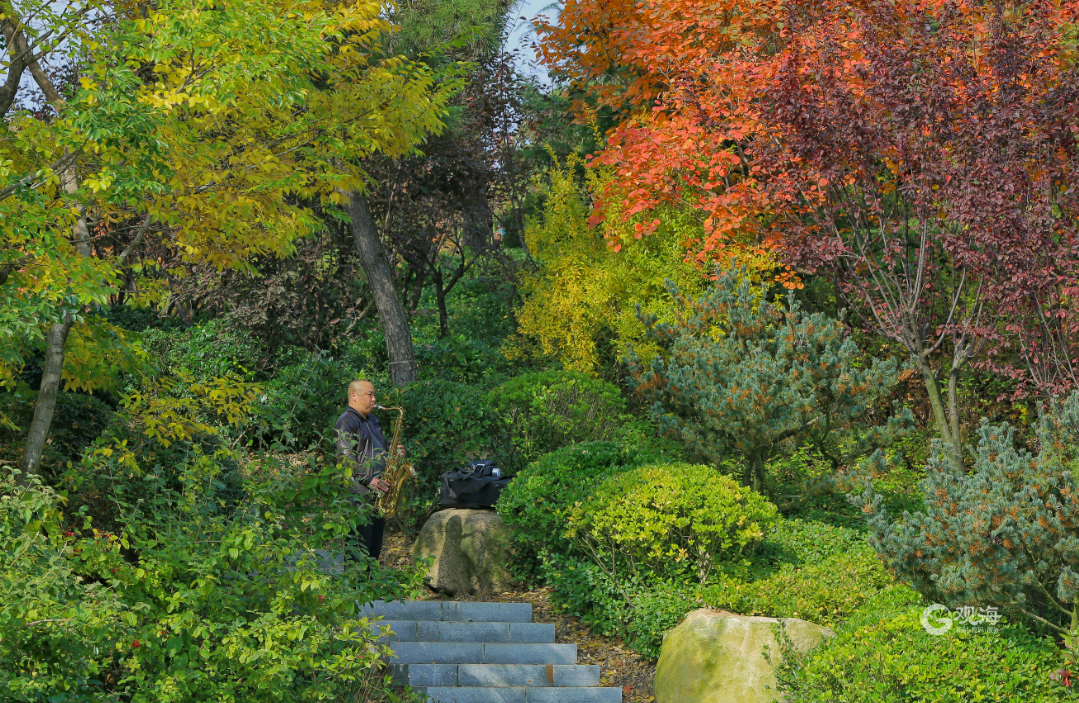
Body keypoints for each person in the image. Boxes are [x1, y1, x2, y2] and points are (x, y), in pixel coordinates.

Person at [335, 379, 390, 560]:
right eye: (370, 395)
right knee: (358, 547)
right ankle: (355, 587)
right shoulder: (346, 421)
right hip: (359, 494)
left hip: (377, 491)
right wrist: (368, 479)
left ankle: (370, 584)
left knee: (374, 547)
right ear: (354, 396)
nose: (374, 399)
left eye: (374, 395)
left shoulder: (372, 419)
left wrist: (392, 450)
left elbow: (376, 446)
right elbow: (345, 458)